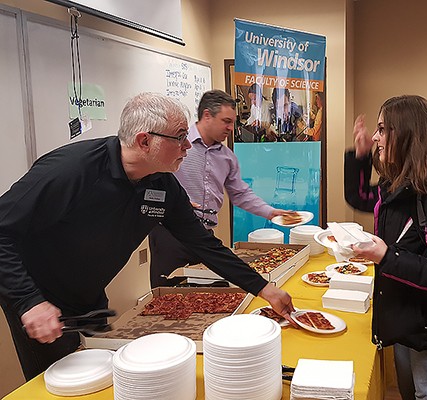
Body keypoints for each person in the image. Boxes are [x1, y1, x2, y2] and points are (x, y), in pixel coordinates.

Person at [0, 92, 295, 381]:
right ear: (144, 141)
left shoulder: (162, 184)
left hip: (89, 293)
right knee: (62, 382)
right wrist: (30, 302)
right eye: (180, 137)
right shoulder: (70, 170)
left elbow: (203, 244)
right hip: (39, 296)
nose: (187, 147)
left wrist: (264, 289)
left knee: (107, 375)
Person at [348, 95, 427, 399]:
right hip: (405, 315)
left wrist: (386, 256)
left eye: (382, 129)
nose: (376, 137)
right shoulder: (401, 182)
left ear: (407, 134)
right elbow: (361, 198)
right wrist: (362, 157)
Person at [149, 90, 289, 288]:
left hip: (204, 235)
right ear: (207, 115)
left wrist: (271, 213)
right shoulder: (175, 144)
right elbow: (151, 179)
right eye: (226, 121)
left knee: (213, 295)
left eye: (232, 122)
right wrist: (175, 201)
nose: (231, 128)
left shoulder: (227, 156)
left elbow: (240, 193)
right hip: (170, 237)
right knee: (168, 297)